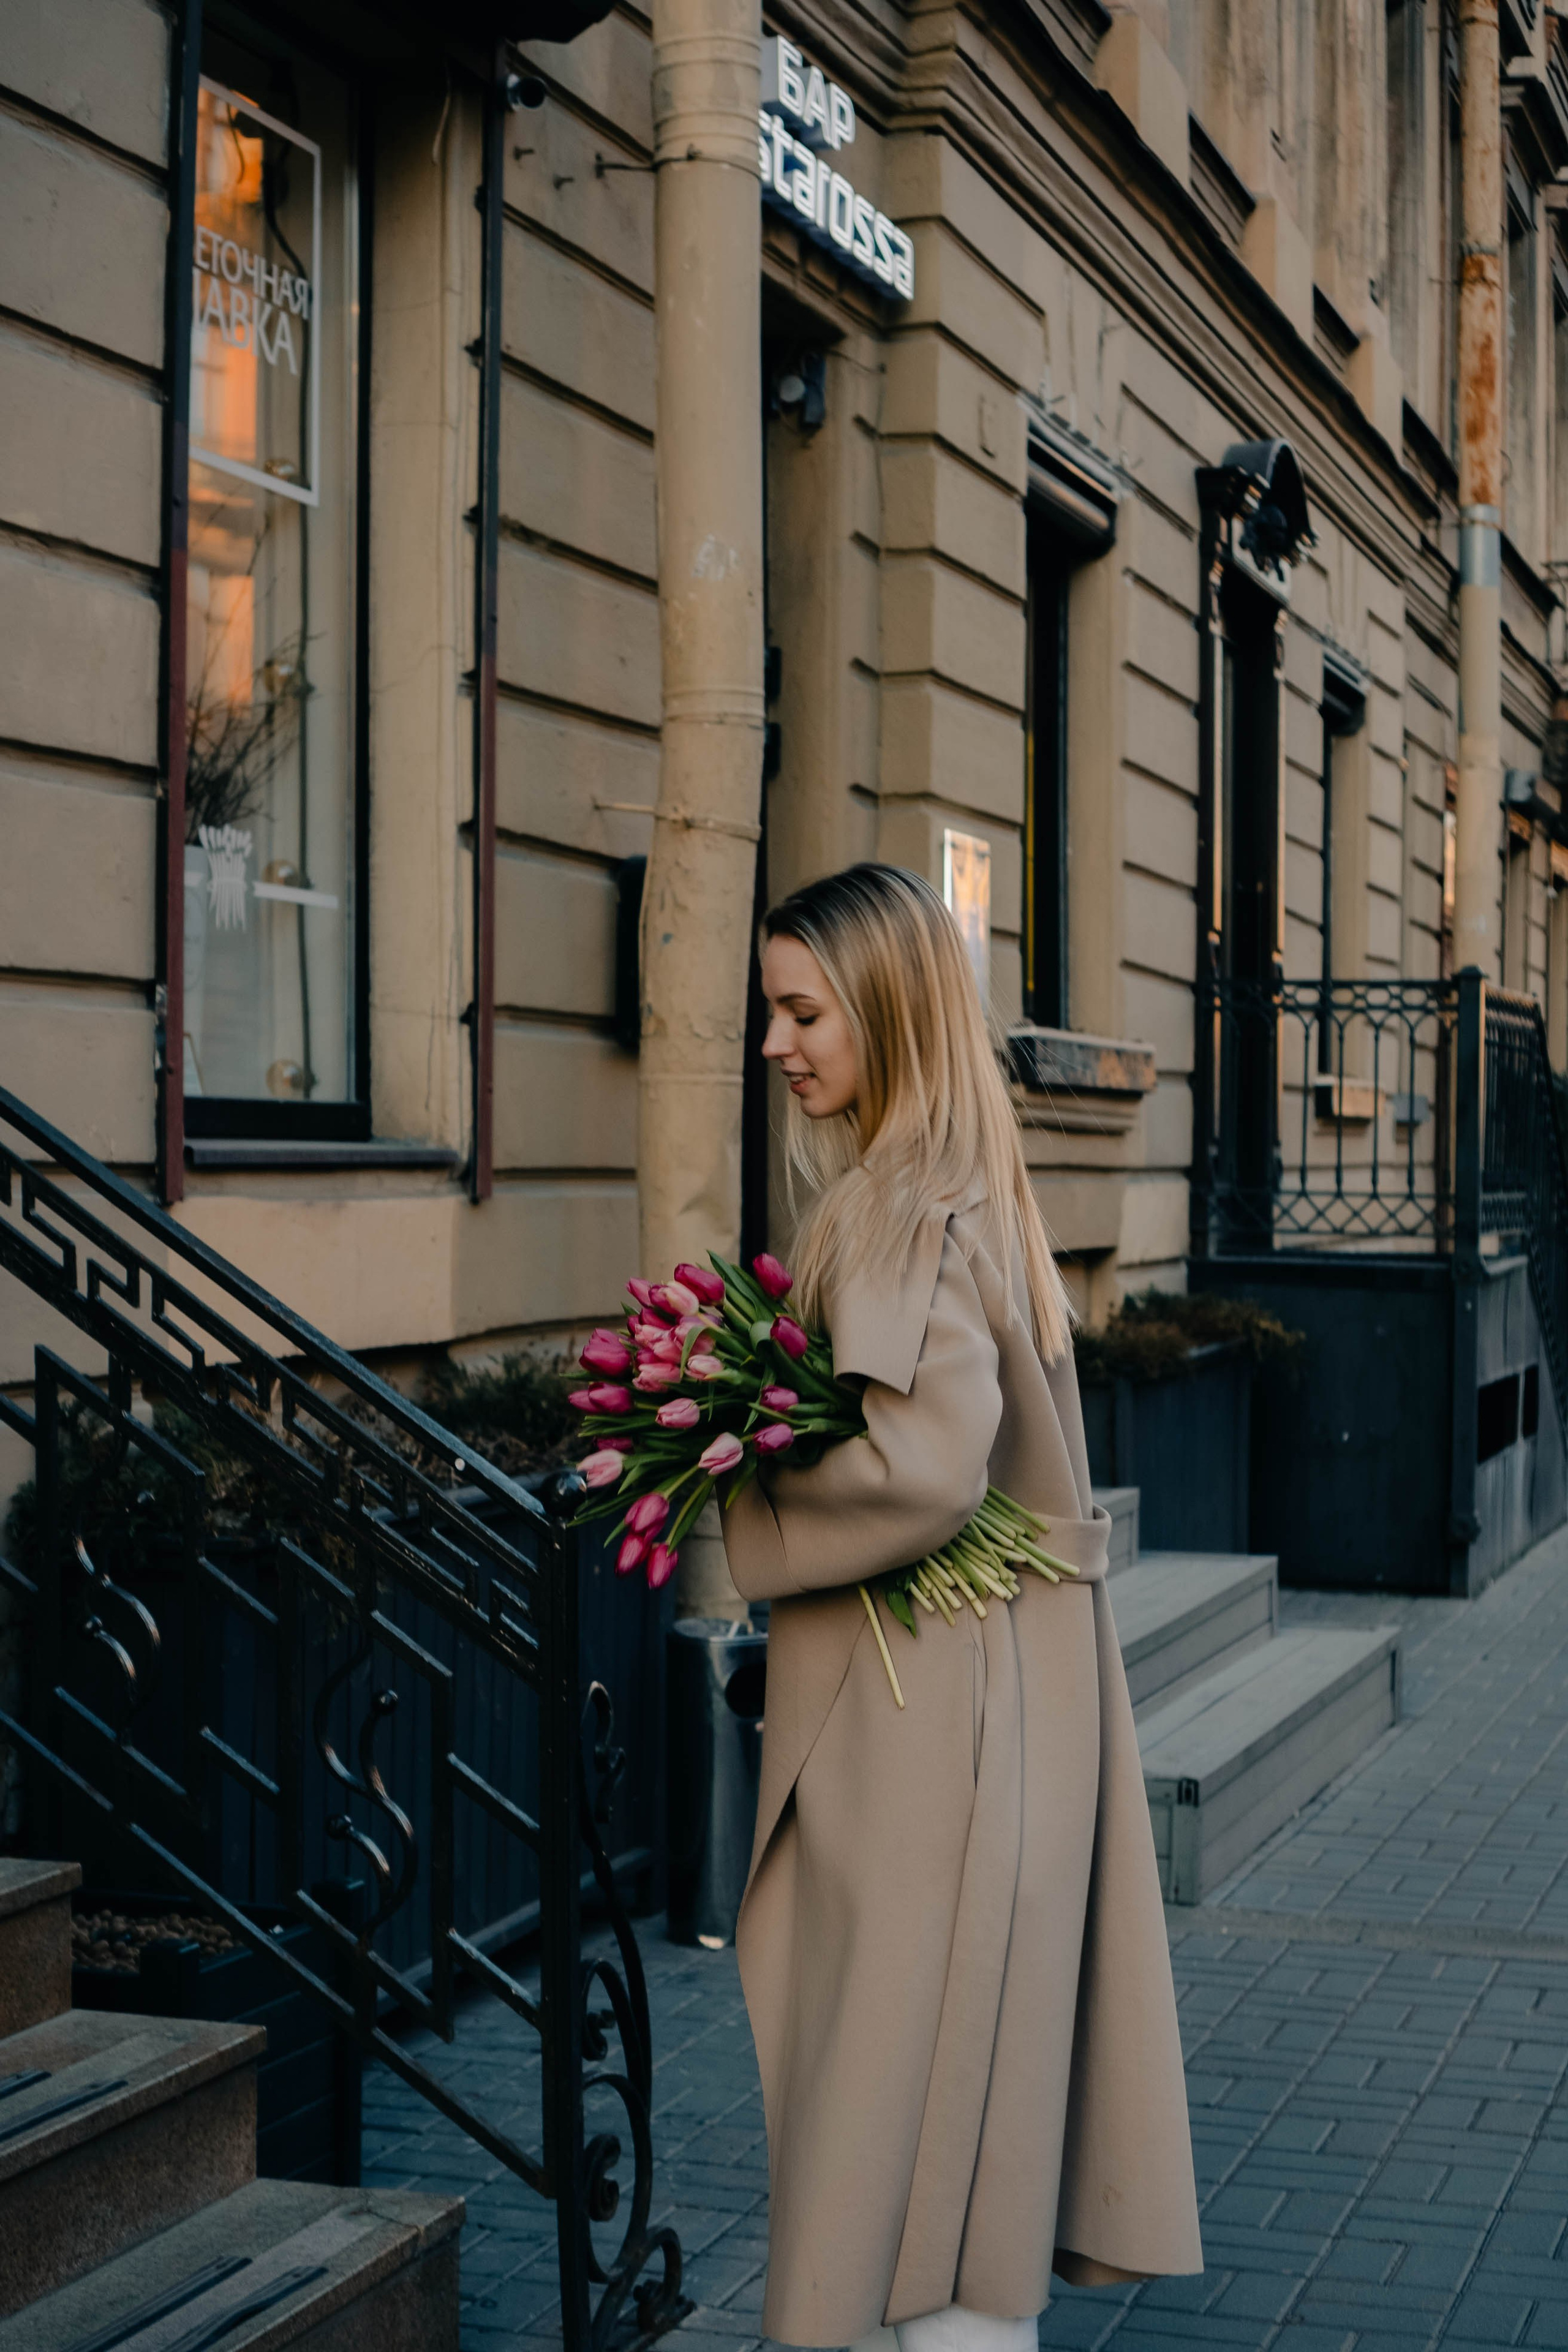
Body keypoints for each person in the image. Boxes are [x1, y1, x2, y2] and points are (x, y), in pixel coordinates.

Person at [720, 863, 1202, 2352]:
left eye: (802, 1011)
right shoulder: (967, 1184)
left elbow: (921, 1467)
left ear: (885, 1007)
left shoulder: (895, 1205)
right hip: (1002, 1707)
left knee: (901, 2150)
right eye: (771, 1011)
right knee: (959, 2149)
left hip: (935, 1727)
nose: (775, 1045)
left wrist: (741, 1499)